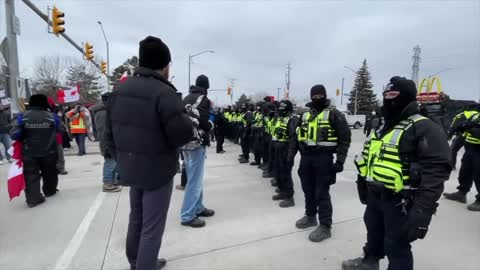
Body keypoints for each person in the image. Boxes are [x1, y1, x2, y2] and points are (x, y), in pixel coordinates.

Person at [342, 76, 451, 270]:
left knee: (397, 245)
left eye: (393, 95)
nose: (388, 99)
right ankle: (370, 261)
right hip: (375, 195)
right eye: (385, 95)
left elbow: (436, 172)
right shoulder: (384, 125)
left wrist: (422, 211)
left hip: (401, 201)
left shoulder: (424, 127)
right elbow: (372, 157)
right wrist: (363, 182)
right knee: (374, 233)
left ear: (407, 98)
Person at [104, 36, 193, 270]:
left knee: (137, 218)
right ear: (164, 66)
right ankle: (145, 264)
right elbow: (182, 134)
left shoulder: (119, 89)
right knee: (152, 227)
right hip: (157, 171)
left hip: (131, 168)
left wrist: (121, 157)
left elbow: (108, 133)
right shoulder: (164, 93)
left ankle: (136, 262)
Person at [289, 84, 351, 242]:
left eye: (319, 96)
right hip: (306, 158)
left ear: (324, 95)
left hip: (324, 158)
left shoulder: (334, 114)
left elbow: (345, 139)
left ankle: (325, 226)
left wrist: (340, 161)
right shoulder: (304, 115)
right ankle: (310, 216)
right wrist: (291, 154)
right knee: (307, 189)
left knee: (321, 192)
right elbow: (296, 137)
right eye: (314, 96)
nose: (317, 98)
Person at [10, 94, 61, 208]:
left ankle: (33, 199)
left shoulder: (22, 117)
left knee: (31, 175)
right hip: (49, 151)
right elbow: (60, 130)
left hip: (29, 152)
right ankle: (50, 191)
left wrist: (25, 133)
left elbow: (14, 135)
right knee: (50, 173)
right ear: (44, 103)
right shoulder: (53, 117)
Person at [181, 74, 215, 228]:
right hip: (196, 143)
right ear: (206, 87)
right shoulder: (203, 99)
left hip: (184, 142)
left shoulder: (187, 97)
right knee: (195, 180)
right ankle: (187, 215)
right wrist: (212, 122)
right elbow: (204, 123)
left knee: (194, 177)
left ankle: (198, 207)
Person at [443, 103, 480, 211]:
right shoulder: (476, 115)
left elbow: (475, 131)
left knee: (479, 174)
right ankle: (461, 193)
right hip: (470, 147)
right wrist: (461, 128)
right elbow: (467, 125)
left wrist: (470, 129)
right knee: (465, 171)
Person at [92, 93, 121, 193]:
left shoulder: (99, 111)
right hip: (108, 140)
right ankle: (107, 183)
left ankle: (112, 181)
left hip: (105, 140)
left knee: (113, 161)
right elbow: (109, 128)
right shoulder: (105, 112)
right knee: (110, 162)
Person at [271, 100, 298, 208]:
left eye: (283, 109)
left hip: (286, 148)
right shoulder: (281, 118)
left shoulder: (292, 119)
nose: (280, 111)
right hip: (278, 147)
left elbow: (293, 138)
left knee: (285, 173)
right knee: (278, 171)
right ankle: (282, 191)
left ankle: (289, 197)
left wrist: (290, 154)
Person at [47, 98, 68, 175]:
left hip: (44, 139)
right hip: (56, 137)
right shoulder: (54, 116)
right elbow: (60, 128)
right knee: (59, 154)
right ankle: (60, 168)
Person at [251, 101, 265, 166]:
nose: (257, 107)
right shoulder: (256, 113)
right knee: (255, 148)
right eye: (257, 106)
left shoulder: (263, 114)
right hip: (255, 131)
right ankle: (257, 160)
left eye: (258, 106)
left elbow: (263, 123)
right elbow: (253, 120)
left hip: (260, 132)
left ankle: (262, 162)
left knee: (260, 148)